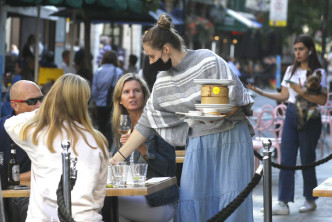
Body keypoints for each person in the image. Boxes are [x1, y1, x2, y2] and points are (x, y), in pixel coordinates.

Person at [110, 14, 254, 222]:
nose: (150, 63)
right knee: (193, 203)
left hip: (231, 138)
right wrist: (115, 160)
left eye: (151, 56)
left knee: (232, 204)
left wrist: (219, 112)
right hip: (199, 142)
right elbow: (145, 125)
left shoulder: (207, 59)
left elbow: (236, 99)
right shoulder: (162, 82)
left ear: (166, 49)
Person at [4, 74, 109, 221]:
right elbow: (98, 196)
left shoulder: (38, 134)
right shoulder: (98, 141)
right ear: (84, 101)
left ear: (52, 98)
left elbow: (10, 123)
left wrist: (47, 108)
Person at [247, 34, 327, 215]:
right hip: (291, 113)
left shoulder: (318, 72)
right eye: (296, 49)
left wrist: (301, 92)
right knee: (286, 158)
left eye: (301, 49)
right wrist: (261, 92)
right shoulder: (291, 70)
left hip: (309, 114)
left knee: (307, 158)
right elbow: (284, 95)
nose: (297, 52)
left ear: (310, 50)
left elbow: (322, 100)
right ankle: (283, 202)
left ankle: (310, 198)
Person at [109, 73, 179, 222]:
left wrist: (142, 148)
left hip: (159, 200)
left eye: (136, 91)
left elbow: (169, 169)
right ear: (120, 100)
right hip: (132, 197)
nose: (132, 96)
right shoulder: (120, 128)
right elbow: (114, 168)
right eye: (126, 92)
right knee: (114, 208)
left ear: (144, 95)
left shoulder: (158, 124)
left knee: (109, 205)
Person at [0, 80, 42, 222]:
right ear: (15, 105)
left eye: (41, 99)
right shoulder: (3, 128)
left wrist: (12, 180)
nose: (39, 105)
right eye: (32, 101)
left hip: (37, 196)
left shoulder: (49, 129)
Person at [92, 50, 123, 146]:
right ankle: (109, 148)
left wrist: (96, 102)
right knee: (111, 129)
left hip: (100, 105)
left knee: (101, 128)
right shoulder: (118, 72)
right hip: (113, 104)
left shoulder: (98, 71)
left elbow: (94, 91)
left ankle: (101, 146)